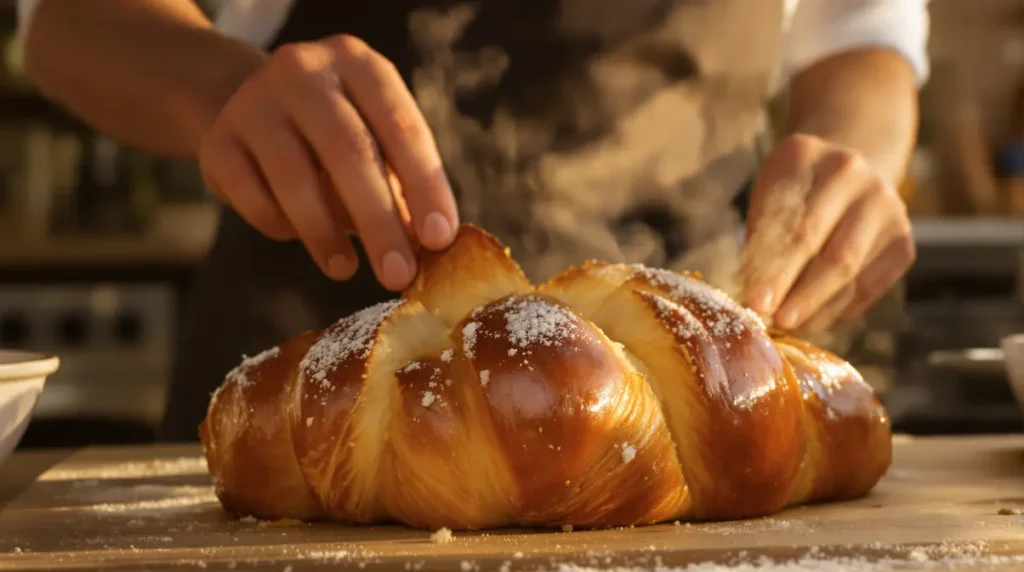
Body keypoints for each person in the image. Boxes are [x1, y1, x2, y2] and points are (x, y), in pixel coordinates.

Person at [19, 0, 927, 441]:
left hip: (693, 399)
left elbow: (863, 39)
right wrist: (226, 88)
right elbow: (67, 23)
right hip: (323, 386)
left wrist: (849, 155)